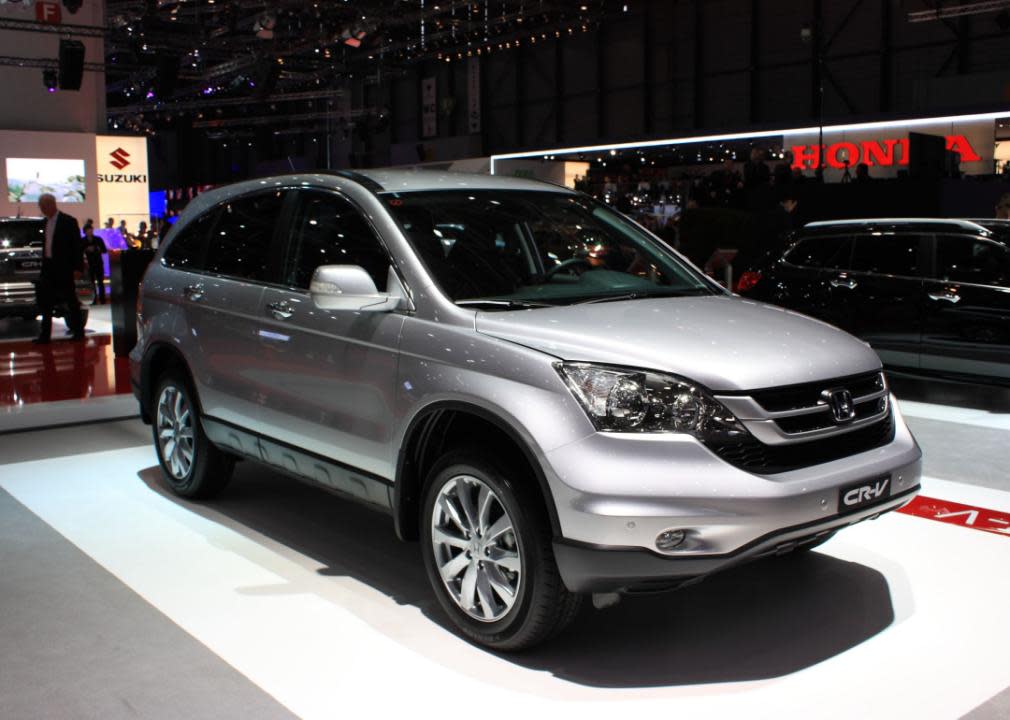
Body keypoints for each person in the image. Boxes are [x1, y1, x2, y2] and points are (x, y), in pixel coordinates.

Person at [33, 193, 85, 343]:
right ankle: (45, 335)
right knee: (45, 303)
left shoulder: (68, 221)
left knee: (70, 300)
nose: (42, 209)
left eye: (43, 206)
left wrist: (77, 268)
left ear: (51, 204)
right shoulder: (45, 223)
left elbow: (76, 246)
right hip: (48, 267)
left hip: (64, 267)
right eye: (40, 207)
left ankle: (78, 332)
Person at [82, 224, 107, 305]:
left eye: (91, 230)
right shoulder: (82, 241)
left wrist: (96, 248)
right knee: (91, 283)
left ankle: (102, 299)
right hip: (89, 264)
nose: (90, 231)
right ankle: (94, 300)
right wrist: (86, 249)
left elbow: (104, 250)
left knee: (100, 282)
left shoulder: (98, 239)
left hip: (98, 262)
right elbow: (79, 251)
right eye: (88, 230)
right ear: (85, 232)